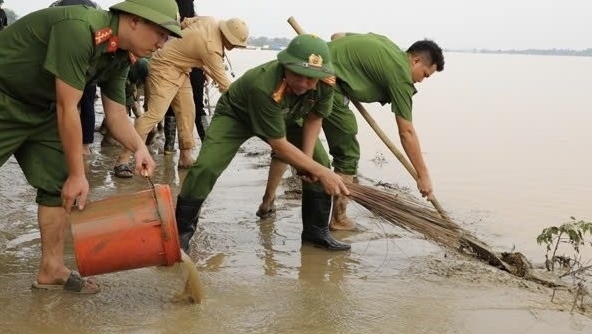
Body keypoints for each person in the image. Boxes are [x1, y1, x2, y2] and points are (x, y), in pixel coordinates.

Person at [0, 0, 182, 320]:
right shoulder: (79, 29)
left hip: (39, 109)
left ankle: (51, 268)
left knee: (59, 184)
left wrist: (138, 147)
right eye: (161, 33)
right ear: (136, 20)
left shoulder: (120, 56)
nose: (162, 43)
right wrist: (80, 173)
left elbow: (115, 115)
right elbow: (68, 108)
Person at [175, 34, 350, 254]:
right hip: (237, 116)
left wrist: (308, 163)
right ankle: (181, 234)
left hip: (286, 115)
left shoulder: (326, 82)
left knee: (319, 160)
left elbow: (314, 118)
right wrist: (320, 172)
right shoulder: (263, 84)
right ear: (285, 65)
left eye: (311, 79)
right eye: (298, 75)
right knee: (206, 167)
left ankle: (316, 232)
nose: (304, 84)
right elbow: (279, 145)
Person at [257, 33, 445, 231]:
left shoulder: (385, 44)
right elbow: (406, 132)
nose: (422, 81)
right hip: (329, 84)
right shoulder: (400, 77)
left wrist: (348, 68)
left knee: (289, 140)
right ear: (416, 61)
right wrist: (423, 175)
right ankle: (338, 219)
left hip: (313, 76)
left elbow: (338, 36)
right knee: (347, 153)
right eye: (425, 74)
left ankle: (267, 202)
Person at [113, 16, 248, 175]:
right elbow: (225, 85)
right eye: (235, 44)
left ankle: (185, 157)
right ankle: (122, 159)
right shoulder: (212, 48)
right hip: (163, 66)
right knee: (155, 115)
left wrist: (185, 49)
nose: (234, 47)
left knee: (187, 112)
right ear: (228, 37)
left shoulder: (210, 21)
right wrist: (247, 103)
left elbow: (184, 23)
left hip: (182, 69)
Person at [49, 0, 100, 155]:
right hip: (89, 66)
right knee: (87, 105)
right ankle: (85, 147)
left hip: (63, 66)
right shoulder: (95, 7)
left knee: (63, 105)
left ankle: (61, 142)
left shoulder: (56, 6)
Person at [161, 0, 209, 155]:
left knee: (170, 107)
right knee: (197, 106)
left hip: (170, 67)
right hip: (195, 69)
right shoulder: (198, 21)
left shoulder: (167, 18)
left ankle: (168, 147)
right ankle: (208, 145)